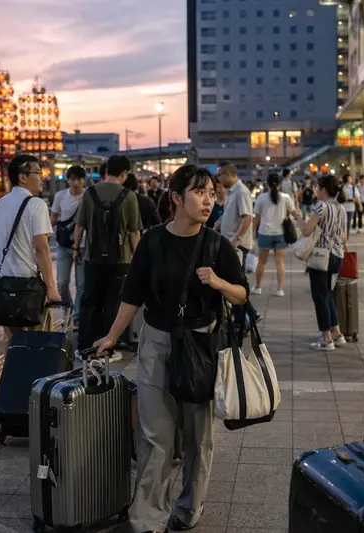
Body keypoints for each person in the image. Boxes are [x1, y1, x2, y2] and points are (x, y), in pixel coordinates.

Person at [93, 165, 248, 533]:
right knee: (154, 435)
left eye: (211, 193)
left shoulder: (217, 245)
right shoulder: (152, 242)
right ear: (177, 198)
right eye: (199, 192)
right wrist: (112, 337)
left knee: (198, 436)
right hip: (157, 341)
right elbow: (133, 295)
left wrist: (219, 282)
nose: (208, 200)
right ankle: (148, 517)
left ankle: (190, 507)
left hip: (200, 344)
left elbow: (241, 294)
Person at [73, 155, 141, 362]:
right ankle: (106, 350)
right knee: (113, 304)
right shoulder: (129, 196)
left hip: (92, 258)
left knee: (89, 302)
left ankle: (84, 347)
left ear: (106, 171)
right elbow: (134, 232)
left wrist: (76, 249)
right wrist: (139, 258)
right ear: (124, 173)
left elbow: (80, 225)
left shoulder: (89, 193)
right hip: (121, 260)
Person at [0, 155, 59, 346]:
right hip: (30, 287)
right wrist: (51, 288)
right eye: (38, 173)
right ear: (23, 177)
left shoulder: (0, 204)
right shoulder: (36, 204)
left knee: (13, 344)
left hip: (4, 285)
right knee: (39, 344)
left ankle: (14, 367)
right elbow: (41, 248)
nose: (42, 178)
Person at [301, 175, 348, 351]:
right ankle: (337, 333)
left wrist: (299, 220)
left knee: (320, 296)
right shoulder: (341, 208)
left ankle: (326, 338)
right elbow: (344, 236)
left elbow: (307, 231)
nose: (316, 191)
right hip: (337, 255)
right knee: (327, 294)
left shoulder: (321, 207)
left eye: (318, 188)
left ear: (324, 190)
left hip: (321, 256)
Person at [216, 162, 260, 326]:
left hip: (237, 246)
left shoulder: (241, 191)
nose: (218, 179)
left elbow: (247, 218)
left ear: (228, 174)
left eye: (220, 175)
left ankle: (241, 320)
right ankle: (250, 315)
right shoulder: (233, 192)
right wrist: (219, 224)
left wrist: (236, 239)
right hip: (231, 243)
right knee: (234, 283)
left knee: (235, 284)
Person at [50, 165, 86, 329]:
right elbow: (54, 217)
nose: (75, 183)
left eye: (78, 179)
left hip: (83, 245)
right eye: (72, 179)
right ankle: (68, 309)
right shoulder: (61, 196)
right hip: (64, 245)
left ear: (83, 180)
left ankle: (77, 317)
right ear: (68, 180)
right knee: (62, 283)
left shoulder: (88, 196)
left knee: (81, 285)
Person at [252, 173, 299, 297]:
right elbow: (294, 213)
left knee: (261, 262)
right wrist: (303, 224)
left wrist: (253, 231)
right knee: (280, 262)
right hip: (280, 234)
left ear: (267, 183)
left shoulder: (261, 198)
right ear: (280, 184)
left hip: (264, 232)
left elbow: (256, 218)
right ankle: (280, 289)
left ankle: (257, 287)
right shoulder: (286, 197)